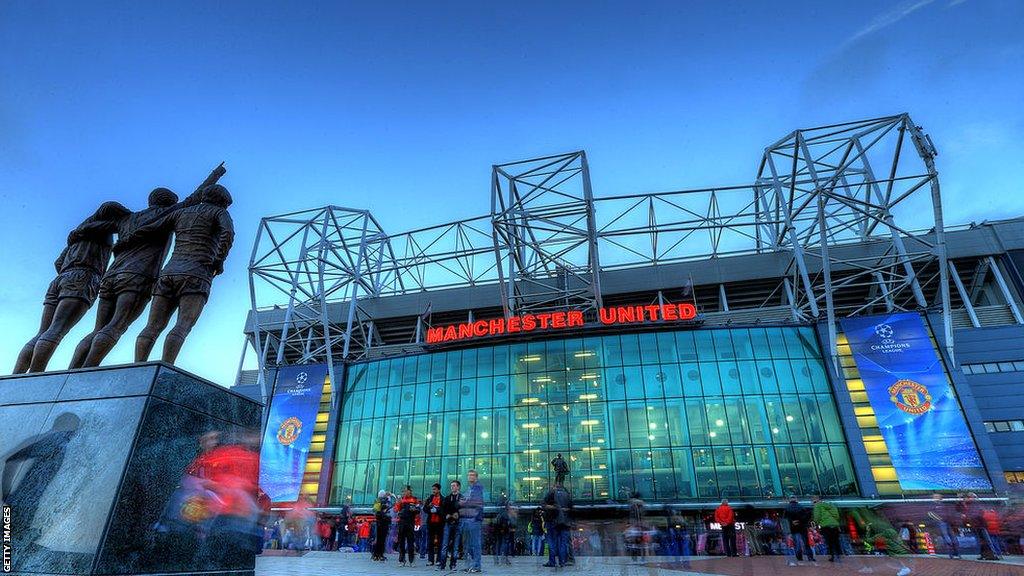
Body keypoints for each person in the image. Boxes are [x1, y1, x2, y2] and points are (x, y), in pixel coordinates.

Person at [14, 201, 131, 373]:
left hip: (60, 279)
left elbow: (58, 262)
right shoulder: (103, 231)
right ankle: (34, 377)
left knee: (42, 332)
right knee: (57, 330)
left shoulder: (77, 236)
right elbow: (121, 225)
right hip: (83, 277)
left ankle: (17, 375)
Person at [542, 483, 573, 568]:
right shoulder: (567, 494)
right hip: (565, 522)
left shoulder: (552, 493)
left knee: (552, 542)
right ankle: (562, 561)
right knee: (563, 543)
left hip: (554, 521)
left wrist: (556, 508)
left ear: (555, 486)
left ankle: (552, 562)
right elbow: (571, 508)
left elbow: (543, 505)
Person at [461, 469, 485, 573]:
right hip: (468, 519)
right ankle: (471, 565)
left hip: (474, 519)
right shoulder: (469, 489)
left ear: (476, 477)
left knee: (475, 544)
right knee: (468, 544)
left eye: (472, 475)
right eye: (469, 475)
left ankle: (476, 566)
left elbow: (476, 503)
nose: (470, 477)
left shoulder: (477, 488)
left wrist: (465, 502)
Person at [394, 485, 421, 566]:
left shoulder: (415, 499)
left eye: (406, 491)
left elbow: (418, 510)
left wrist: (415, 510)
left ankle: (411, 560)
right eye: (403, 491)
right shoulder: (401, 500)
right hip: (402, 522)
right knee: (401, 542)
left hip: (410, 523)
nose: (404, 492)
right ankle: (401, 560)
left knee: (410, 542)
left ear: (410, 491)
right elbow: (397, 509)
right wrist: (398, 502)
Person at [784, 495, 815, 565]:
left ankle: (799, 557)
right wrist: (802, 521)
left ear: (790, 500)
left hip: (794, 528)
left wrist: (791, 522)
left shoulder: (787, 508)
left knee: (797, 543)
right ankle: (810, 557)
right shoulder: (801, 507)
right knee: (806, 542)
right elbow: (807, 515)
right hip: (802, 527)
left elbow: (785, 519)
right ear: (796, 500)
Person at [927, 493, 960, 559]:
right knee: (946, 537)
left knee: (953, 537)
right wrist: (939, 519)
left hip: (947, 522)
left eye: (938, 496)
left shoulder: (943, 504)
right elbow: (930, 513)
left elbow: (948, 512)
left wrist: (950, 519)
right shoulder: (932, 505)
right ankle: (951, 553)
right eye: (935, 497)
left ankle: (956, 552)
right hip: (942, 522)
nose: (937, 498)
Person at [439, 480, 462, 571]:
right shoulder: (447, 498)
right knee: (445, 544)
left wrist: (458, 514)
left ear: (458, 487)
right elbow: (442, 510)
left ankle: (453, 564)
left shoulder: (462, 498)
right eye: (451, 485)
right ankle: (442, 564)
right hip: (448, 523)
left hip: (458, 524)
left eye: (454, 485)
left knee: (455, 546)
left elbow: (465, 510)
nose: (452, 487)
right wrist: (446, 515)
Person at [812, 494, 841, 562]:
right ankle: (838, 554)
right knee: (836, 540)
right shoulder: (829, 505)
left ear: (815, 500)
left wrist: (818, 523)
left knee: (829, 541)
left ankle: (832, 556)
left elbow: (817, 517)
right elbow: (836, 515)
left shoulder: (817, 505)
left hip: (826, 526)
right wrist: (835, 521)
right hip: (834, 525)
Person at [424, 483, 445, 565]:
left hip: (439, 523)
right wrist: (429, 507)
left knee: (440, 542)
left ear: (439, 490)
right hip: (431, 523)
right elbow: (425, 509)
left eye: (435, 489)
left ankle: (439, 559)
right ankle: (430, 560)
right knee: (430, 542)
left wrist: (438, 510)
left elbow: (444, 511)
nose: (433, 491)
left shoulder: (443, 499)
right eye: (432, 489)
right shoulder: (429, 499)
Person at [372, 490, 393, 561]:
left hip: (379, 522)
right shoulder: (385, 501)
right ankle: (380, 554)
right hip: (384, 522)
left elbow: (375, 511)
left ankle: (375, 554)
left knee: (378, 539)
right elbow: (388, 508)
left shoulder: (377, 501)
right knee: (382, 539)